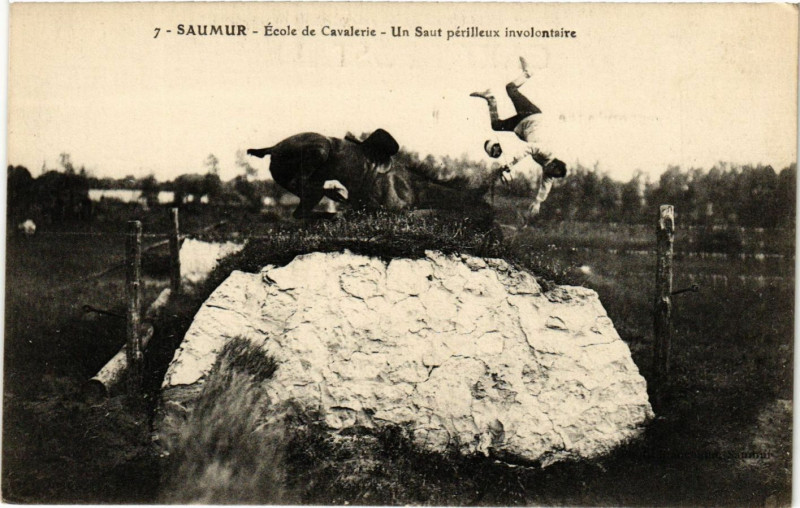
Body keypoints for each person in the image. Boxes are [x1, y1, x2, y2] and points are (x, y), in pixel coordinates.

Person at [471, 57, 567, 221]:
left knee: (496, 125)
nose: (547, 173)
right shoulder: (547, 152)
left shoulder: (548, 171)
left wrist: (537, 203)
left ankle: (490, 99)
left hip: (522, 126)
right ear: (553, 164)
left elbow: (546, 187)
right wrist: (511, 164)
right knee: (510, 89)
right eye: (551, 171)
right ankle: (528, 73)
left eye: (551, 174)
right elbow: (528, 148)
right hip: (532, 116)